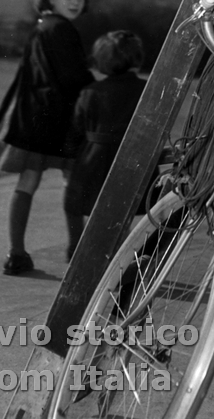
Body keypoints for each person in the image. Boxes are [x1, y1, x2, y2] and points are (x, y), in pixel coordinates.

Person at [0, 0, 94, 275]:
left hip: (34, 117)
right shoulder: (62, 30)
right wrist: (96, 88)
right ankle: (77, 246)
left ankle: (16, 252)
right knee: (73, 183)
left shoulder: (42, 26)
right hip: (60, 118)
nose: (75, 1)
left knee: (28, 181)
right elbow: (73, 78)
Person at [62, 30, 146, 257]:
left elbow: (76, 129)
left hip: (92, 157)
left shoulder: (91, 92)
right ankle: (123, 253)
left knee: (75, 203)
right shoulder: (146, 90)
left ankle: (75, 246)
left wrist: (68, 161)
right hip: (130, 157)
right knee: (120, 208)